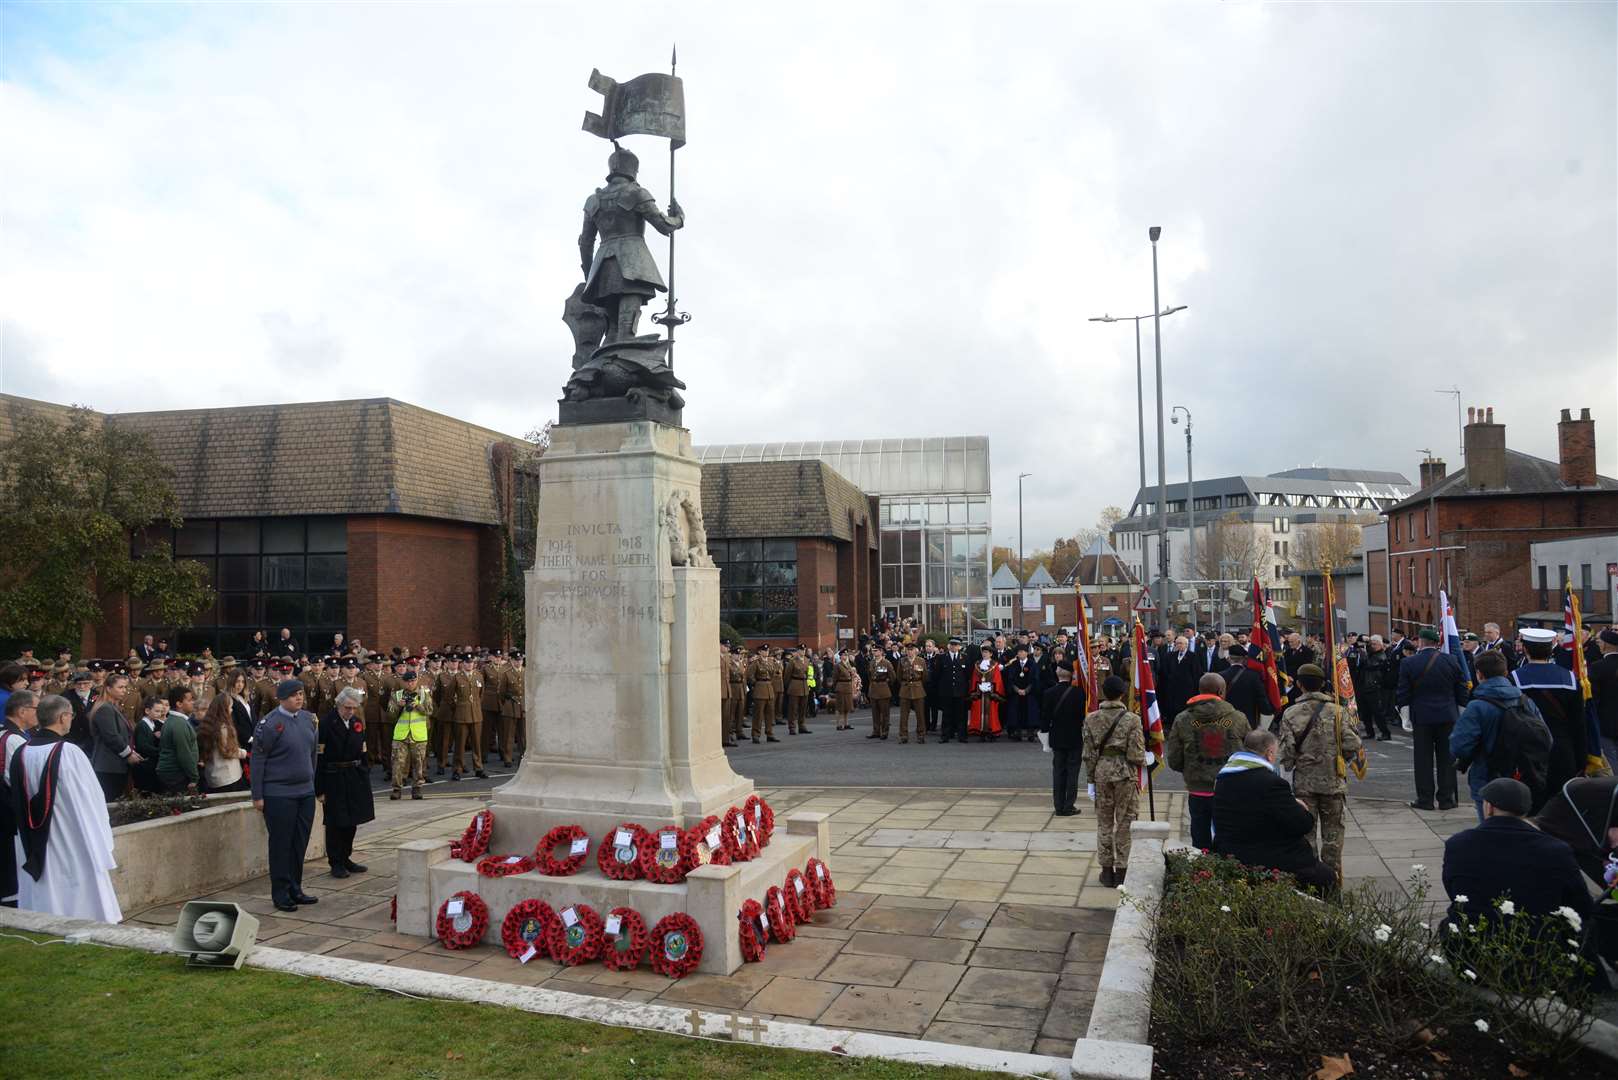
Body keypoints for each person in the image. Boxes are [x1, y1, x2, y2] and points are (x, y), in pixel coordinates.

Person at [9, 695, 122, 922]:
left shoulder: (22, 751)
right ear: (63, 717)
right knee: (77, 882)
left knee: (47, 883)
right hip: (69, 832)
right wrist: (99, 835)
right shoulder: (69, 752)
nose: (71, 719)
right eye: (70, 715)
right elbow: (90, 799)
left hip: (34, 836)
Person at [1443, 777, 1590, 930]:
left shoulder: (1459, 844)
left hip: (1472, 938)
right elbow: (1581, 904)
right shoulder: (1556, 850)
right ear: (1525, 811)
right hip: (1536, 941)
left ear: (1489, 807)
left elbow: (1454, 891)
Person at [1212, 729, 1336, 893]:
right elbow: (1302, 824)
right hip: (1262, 858)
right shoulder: (1271, 783)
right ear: (1269, 753)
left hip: (1228, 851)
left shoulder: (1223, 777)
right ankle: (1331, 917)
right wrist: (1300, 807)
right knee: (1327, 878)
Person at [1277, 664, 1361, 883]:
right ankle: (1333, 882)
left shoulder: (1291, 713)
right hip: (1333, 782)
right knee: (1333, 839)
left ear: (1299, 685)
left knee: (1306, 837)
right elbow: (1353, 743)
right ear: (1323, 684)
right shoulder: (1337, 711)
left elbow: (1286, 755)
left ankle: (1311, 884)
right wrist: (1339, 760)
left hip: (1304, 785)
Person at [1450, 649, 1551, 819]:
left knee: (1491, 829)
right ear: (1506, 673)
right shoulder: (1525, 701)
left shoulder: (1477, 706)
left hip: (1488, 775)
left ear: (1479, 674)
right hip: (1524, 773)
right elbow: (1547, 737)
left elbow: (1459, 746)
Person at [252, 679, 319, 914]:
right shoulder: (270, 724)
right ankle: (280, 893)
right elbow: (258, 759)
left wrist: (313, 783)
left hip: (305, 792)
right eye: (293, 695)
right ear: (281, 699)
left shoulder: (308, 719)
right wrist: (257, 795)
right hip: (279, 793)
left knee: (299, 843)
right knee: (281, 845)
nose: (299, 698)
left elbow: (313, 755)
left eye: (301, 694)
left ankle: (295, 888)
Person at [1167, 672, 1247, 851]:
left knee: (1199, 834)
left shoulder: (1183, 719)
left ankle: (1202, 873)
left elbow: (1173, 758)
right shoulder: (1238, 718)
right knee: (1228, 835)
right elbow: (1248, 755)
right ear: (1221, 691)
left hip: (1197, 788)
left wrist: (1191, 768)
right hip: (1228, 787)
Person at [1396, 627, 1467, 811]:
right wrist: (1460, 715)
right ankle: (1446, 799)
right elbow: (1461, 691)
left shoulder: (1409, 663)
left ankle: (1425, 799)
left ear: (1420, 641)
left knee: (1423, 760)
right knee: (1446, 759)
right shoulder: (1451, 661)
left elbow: (1403, 693)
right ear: (1437, 643)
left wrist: (1405, 716)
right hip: (1448, 716)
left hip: (1422, 716)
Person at [1513, 626, 1589, 799]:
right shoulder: (1570, 679)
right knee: (1559, 807)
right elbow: (1579, 724)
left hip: (1527, 752)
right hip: (1562, 750)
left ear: (1524, 648)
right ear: (1552, 647)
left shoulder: (1514, 678)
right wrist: (1581, 761)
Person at [1083, 676, 1144, 886]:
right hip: (1125, 773)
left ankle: (1106, 870)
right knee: (1126, 820)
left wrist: (1090, 779)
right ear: (1121, 694)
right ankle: (1122, 870)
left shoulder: (1091, 718)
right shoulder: (1132, 719)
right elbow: (1136, 754)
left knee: (1105, 822)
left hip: (1101, 772)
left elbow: (1088, 753)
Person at [316, 686, 375, 879]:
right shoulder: (326, 723)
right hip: (334, 776)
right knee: (335, 822)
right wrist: (320, 788)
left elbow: (363, 750)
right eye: (347, 707)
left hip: (354, 775)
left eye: (354, 708)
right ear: (339, 704)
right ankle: (336, 862)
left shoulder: (356, 722)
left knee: (352, 821)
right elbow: (319, 758)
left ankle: (346, 856)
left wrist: (364, 773)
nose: (350, 712)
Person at [1, 690, 40, 906]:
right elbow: (18, 779)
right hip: (9, 813)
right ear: (22, 711)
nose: (39, 713)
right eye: (36, 708)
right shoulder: (13, 740)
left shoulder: (10, 735)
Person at [1040, 663, 1087, 816]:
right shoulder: (1080, 693)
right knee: (1073, 772)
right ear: (1072, 674)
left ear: (1057, 672)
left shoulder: (1048, 693)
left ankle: (1058, 806)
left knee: (1059, 772)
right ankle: (1069, 805)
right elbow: (1082, 718)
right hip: (1074, 737)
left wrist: (1046, 738)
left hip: (1057, 737)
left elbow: (1045, 719)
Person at [88, 673, 138, 801]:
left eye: (125, 687)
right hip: (108, 766)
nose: (124, 691)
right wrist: (129, 754)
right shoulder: (104, 708)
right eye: (120, 687)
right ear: (109, 689)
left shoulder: (112, 707)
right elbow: (111, 737)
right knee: (110, 802)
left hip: (114, 764)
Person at [386, 668, 433, 800]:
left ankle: (417, 788)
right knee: (397, 763)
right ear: (404, 682)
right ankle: (396, 789)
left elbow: (429, 711)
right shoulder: (397, 695)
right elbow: (390, 715)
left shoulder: (424, 694)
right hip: (401, 734)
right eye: (408, 681)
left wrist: (417, 705)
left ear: (417, 680)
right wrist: (399, 706)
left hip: (418, 734)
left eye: (413, 681)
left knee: (418, 763)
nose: (411, 684)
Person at [198, 691, 250, 793]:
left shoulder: (207, 725)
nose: (231, 710)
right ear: (224, 709)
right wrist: (245, 753)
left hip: (213, 775)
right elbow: (227, 751)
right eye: (230, 707)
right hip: (228, 776)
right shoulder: (223, 728)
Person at [156, 687, 201, 794]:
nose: (193, 703)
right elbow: (184, 753)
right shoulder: (179, 724)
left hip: (174, 773)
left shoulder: (175, 720)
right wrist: (194, 777)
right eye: (189, 700)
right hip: (176, 774)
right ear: (179, 704)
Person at [932, 638, 972, 744]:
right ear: (949, 646)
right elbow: (937, 675)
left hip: (960, 691)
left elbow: (968, 674)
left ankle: (962, 736)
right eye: (952, 645)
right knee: (946, 714)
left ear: (959, 646)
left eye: (956, 645)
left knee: (961, 715)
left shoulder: (965, 658)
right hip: (947, 691)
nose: (954, 647)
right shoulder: (941, 658)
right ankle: (945, 736)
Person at [966, 646, 1004, 742]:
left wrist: (991, 687)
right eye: (983, 652)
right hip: (980, 694)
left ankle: (991, 733)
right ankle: (981, 732)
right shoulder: (977, 664)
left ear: (991, 654)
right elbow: (974, 677)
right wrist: (978, 687)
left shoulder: (995, 665)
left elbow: (997, 679)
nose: (984, 654)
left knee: (991, 713)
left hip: (990, 694)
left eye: (986, 652)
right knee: (979, 712)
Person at [1593, 629, 1618, 772]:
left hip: (1605, 724)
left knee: (1611, 762)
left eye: (1599, 641)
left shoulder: (1598, 668)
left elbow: (1593, 700)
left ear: (1606, 645)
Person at [131, 696, 166, 794]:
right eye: (157, 711)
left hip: (150, 765)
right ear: (147, 710)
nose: (159, 714)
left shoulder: (153, 724)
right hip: (144, 766)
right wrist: (161, 751)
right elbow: (143, 746)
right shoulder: (143, 725)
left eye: (160, 711)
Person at [896, 642, 929, 745]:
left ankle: (921, 735)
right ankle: (903, 735)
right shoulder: (902, 661)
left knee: (920, 714)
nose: (910, 652)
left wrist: (917, 684)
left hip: (918, 689)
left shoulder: (921, 661)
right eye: (908, 650)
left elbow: (925, 677)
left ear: (916, 650)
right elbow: (899, 676)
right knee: (904, 715)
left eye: (911, 650)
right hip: (905, 690)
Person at [747, 646, 780, 743]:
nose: (767, 652)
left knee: (770, 713)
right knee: (758, 714)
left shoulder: (770, 662)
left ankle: (769, 733)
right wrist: (756, 683)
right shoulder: (756, 662)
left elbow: (775, 673)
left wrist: (770, 682)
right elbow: (749, 675)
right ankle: (756, 735)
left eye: (768, 650)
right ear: (760, 652)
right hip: (760, 688)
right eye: (764, 650)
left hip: (769, 688)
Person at [865, 647, 893, 740]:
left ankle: (884, 732)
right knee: (875, 713)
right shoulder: (871, 662)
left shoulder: (886, 663)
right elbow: (869, 676)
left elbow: (893, 677)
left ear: (881, 652)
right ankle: (876, 731)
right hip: (873, 689)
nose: (874, 652)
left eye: (876, 650)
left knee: (884, 713)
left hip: (883, 690)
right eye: (873, 651)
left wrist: (885, 683)